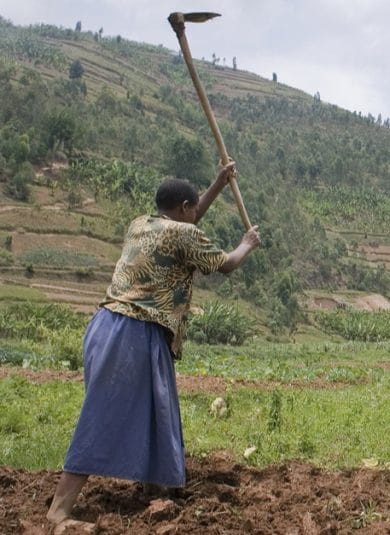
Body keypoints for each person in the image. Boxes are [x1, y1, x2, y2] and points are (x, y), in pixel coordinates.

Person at [47, 163, 261, 531]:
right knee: (102, 415)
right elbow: (225, 264)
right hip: (133, 331)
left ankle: (153, 486)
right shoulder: (183, 234)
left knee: (156, 408)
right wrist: (247, 244)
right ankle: (58, 513)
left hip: (108, 326)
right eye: (192, 208)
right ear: (183, 208)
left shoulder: (140, 224)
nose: (194, 214)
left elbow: (185, 225)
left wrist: (216, 185)